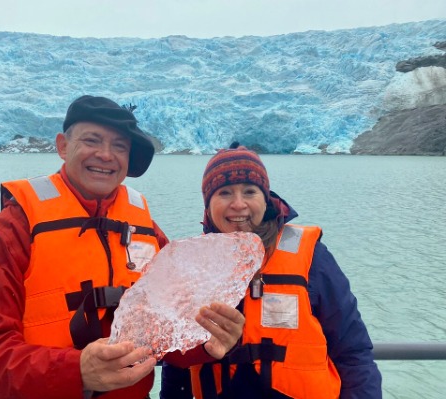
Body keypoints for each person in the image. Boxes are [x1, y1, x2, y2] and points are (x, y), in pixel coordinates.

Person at [0, 95, 245, 399]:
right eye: (92, 140)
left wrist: (207, 344)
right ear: (63, 146)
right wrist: (77, 371)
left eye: (120, 146)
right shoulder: (10, 231)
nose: (106, 155)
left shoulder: (146, 229)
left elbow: (167, 339)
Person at [160, 142, 382, 399]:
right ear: (208, 206)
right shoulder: (192, 265)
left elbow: (353, 351)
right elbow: (177, 363)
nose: (238, 204)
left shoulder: (312, 258)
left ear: (265, 200)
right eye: (224, 193)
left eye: (250, 191)